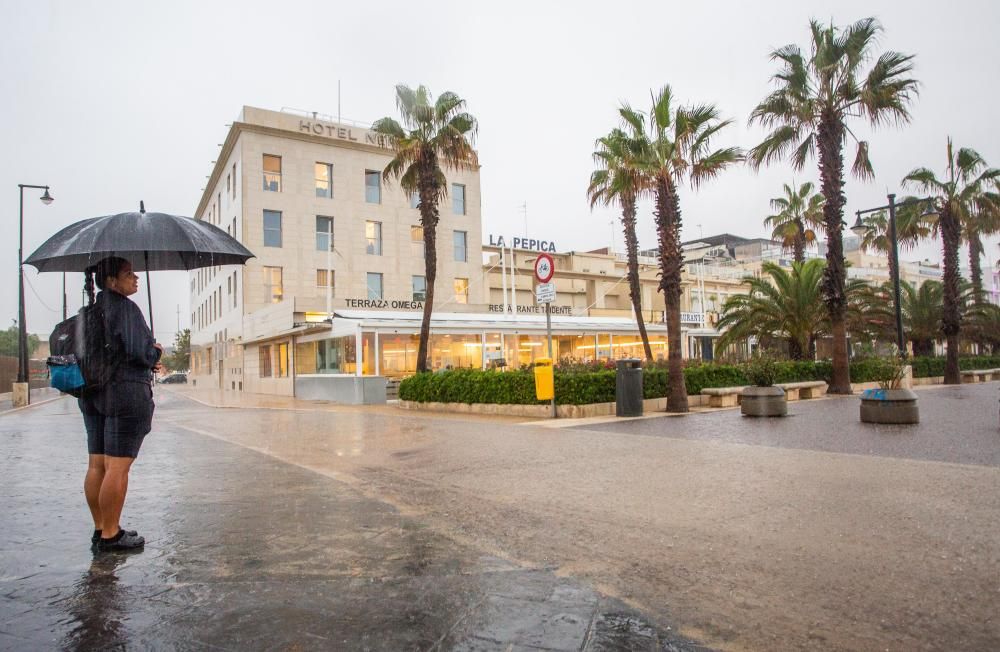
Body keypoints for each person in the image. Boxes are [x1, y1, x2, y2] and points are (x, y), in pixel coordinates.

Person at [78, 257, 164, 552]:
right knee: (118, 466)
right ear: (112, 281)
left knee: (97, 464)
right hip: (125, 393)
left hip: (92, 394)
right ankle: (112, 534)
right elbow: (140, 352)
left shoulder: (90, 310)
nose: (136, 278)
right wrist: (156, 352)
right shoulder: (124, 309)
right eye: (129, 274)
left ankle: (101, 527)